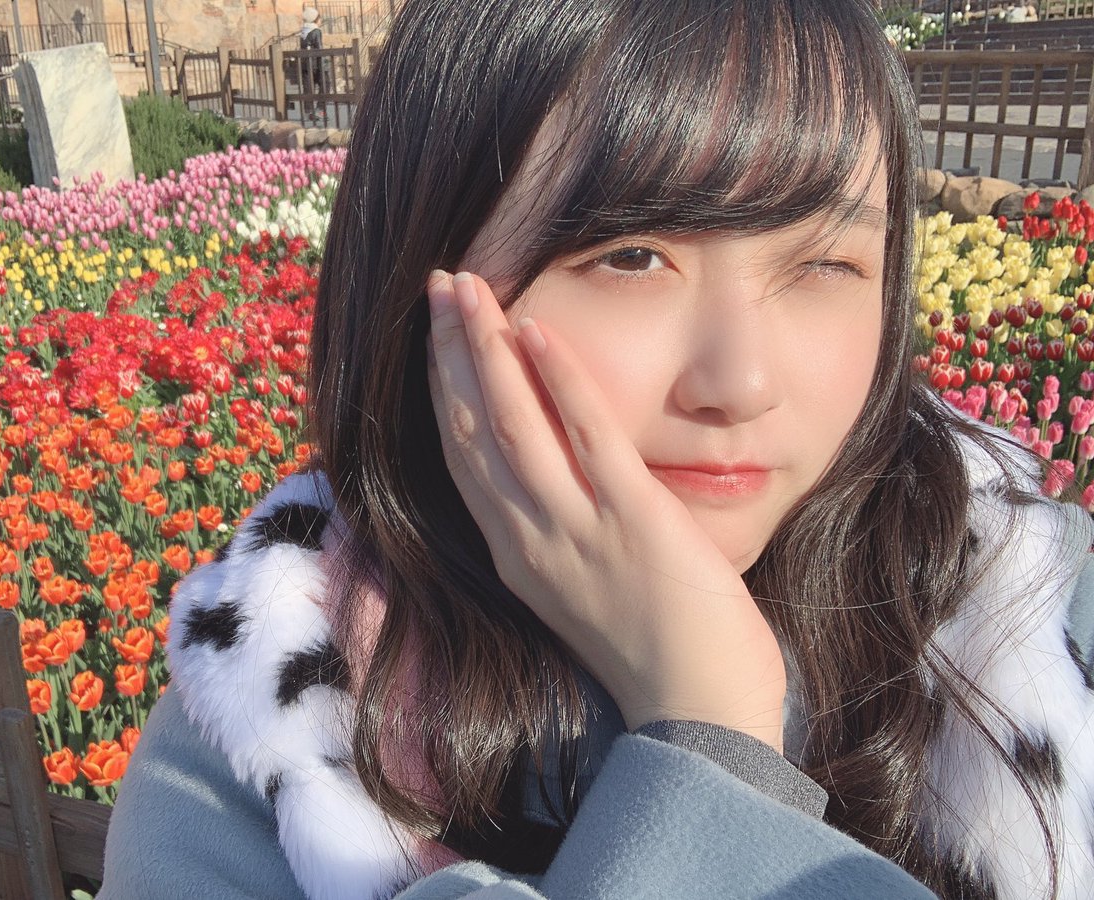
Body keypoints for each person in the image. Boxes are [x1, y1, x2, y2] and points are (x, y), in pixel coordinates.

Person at [99, 1, 1094, 898]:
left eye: (826, 263)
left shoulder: (1028, 626)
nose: (742, 381)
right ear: (420, 274)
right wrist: (709, 741)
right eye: (632, 257)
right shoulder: (263, 745)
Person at [298, 7, 326, 125]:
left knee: (308, 87)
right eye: (319, 18)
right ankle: (320, 110)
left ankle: (308, 111)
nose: (320, 20)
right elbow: (319, 48)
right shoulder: (316, 31)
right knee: (325, 84)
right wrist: (323, 65)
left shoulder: (303, 31)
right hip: (315, 64)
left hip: (305, 64)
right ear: (315, 19)